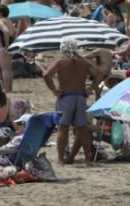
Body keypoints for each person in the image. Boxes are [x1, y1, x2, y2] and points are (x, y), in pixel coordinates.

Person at [42, 37, 103, 165]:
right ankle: (88, 160)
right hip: (80, 96)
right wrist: (91, 88)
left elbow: (47, 75)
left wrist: (53, 89)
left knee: (63, 128)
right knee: (82, 128)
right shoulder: (84, 62)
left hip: (66, 96)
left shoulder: (61, 61)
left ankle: (60, 160)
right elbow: (100, 73)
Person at [0, 5, 15, 93]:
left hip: (3, 46)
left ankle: (6, 88)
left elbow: (6, 31)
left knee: (4, 68)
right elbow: (14, 31)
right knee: (9, 68)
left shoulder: (1, 21)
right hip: (10, 45)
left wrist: (6, 44)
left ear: (0, 13)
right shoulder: (9, 20)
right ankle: (10, 88)